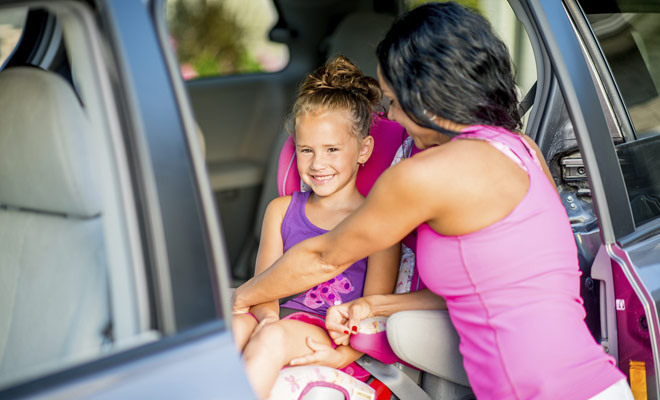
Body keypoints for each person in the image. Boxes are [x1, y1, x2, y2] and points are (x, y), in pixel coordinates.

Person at [233, 3, 634, 399]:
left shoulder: (426, 174)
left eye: (391, 100)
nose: (391, 117)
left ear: (424, 96)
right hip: (594, 384)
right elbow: (488, 290)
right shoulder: (521, 149)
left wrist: (240, 297)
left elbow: (324, 258)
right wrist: (374, 305)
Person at [232, 55, 400, 399]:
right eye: (306, 150)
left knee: (273, 339)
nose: (317, 163)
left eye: (332, 149)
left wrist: (342, 354)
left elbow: (375, 311)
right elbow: (265, 288)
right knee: (232, 328)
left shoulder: (379, 224)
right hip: (280, 321)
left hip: (328, 332)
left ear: (363, 149)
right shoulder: (280, 211)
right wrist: (265, 320)